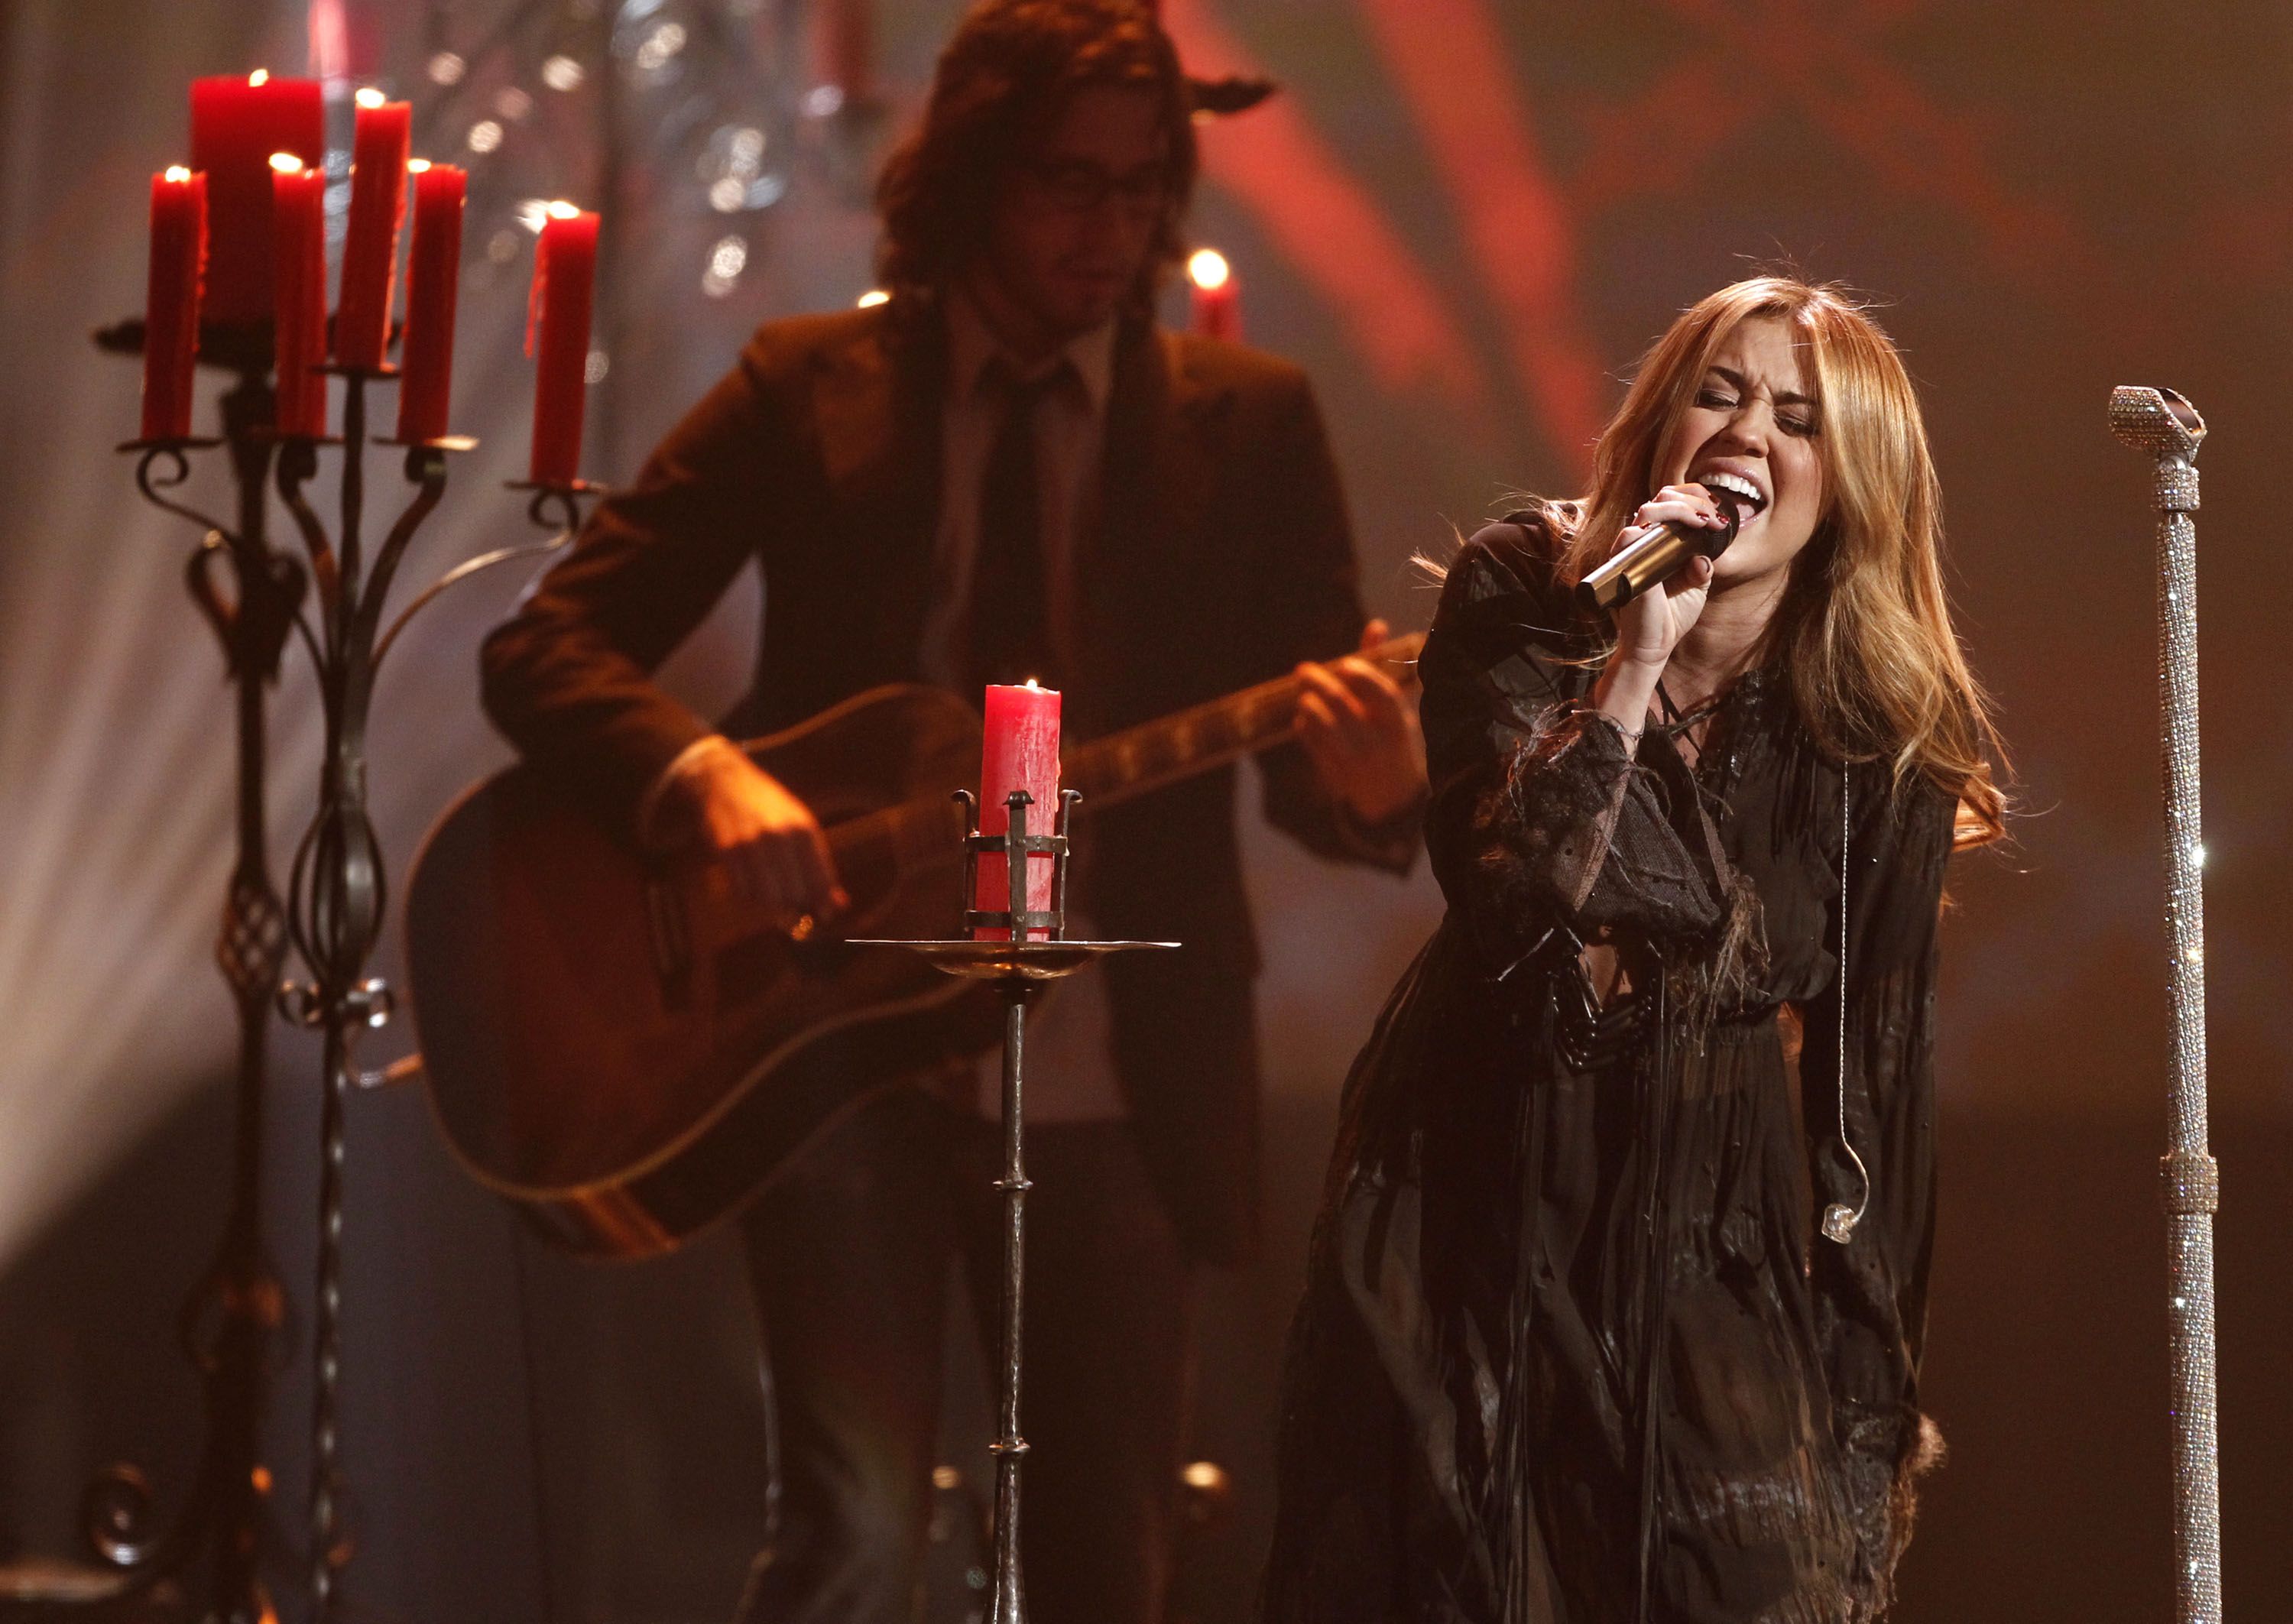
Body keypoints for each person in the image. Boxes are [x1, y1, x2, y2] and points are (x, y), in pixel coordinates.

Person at [478, 4, 1425, 1622]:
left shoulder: (1250, 423)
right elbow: (543, 647)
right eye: (1071, 183)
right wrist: (702, 777)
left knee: (1106, 1564)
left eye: (1144, 186)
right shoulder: (810, 386)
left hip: (1119, 1071)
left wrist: (1381, 788)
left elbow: (1316, 777)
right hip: (838, 1056)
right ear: (975, 174)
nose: (1113, 229)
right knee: (850, 1541)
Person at [1260, 277, 2007, 1623]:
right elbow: (1516, 897)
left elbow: (1876, 1098)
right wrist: (1632, 663)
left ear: (1851, 486)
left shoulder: (1874, 736)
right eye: (1718, 395)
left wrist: (1863, 1433)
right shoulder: (1521, 592)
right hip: (1471, 1190)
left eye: (1798, 419)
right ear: (1661, 428)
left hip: (1709, 1228)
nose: (1747, 433)